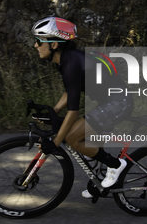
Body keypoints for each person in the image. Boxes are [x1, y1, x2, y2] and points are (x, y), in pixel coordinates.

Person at [31, 17, 134, 198]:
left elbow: (73, 110)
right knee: (81, 139)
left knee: (72, 137)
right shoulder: (66, 60)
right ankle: (101, 179)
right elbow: (70, 92)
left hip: (118, 103)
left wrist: (55, 143)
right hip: (109, 102)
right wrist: (53, 112)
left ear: (54, 45)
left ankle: (116, 165)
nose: (35, 46)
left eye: (39, 41)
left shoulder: (70, 63)